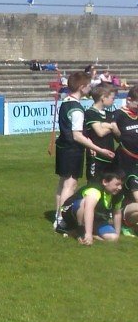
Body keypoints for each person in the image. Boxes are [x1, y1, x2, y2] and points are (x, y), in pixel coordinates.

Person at [54, 71, 113, 232]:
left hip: (63, 148)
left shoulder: (66, 102)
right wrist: (98, 148)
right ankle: (62, 219)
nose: (90, 88)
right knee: (70, 185)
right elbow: (77, 135)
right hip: (72, 149)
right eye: (88, 86)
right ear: (81, 87)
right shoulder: (77, 109)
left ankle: (58, 216)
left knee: (62, 183)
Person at [56, 170, 125, 245]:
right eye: (117, 184)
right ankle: (81, 231)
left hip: (95, 217)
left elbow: (117, 214)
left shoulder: (118, 195)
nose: (120, 188)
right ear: (105, 182)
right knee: (84, 203)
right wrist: (88, 234)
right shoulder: (95, 190)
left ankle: (78, 232)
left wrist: (117, 235)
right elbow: (89, 210)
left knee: (113, 238)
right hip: (70, 211)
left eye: (121, 185)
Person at [83, 84, 117, 185]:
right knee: (94, 186)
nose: (113, 100)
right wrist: (111, 126)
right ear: (103, 98)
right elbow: (100, 132)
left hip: (110, 155)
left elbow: (118, 134)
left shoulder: (109, 114)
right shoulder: (90, 113)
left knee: (109, 187)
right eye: (112, 98)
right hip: (96, 157)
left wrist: (108, 125)